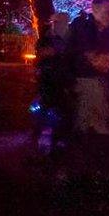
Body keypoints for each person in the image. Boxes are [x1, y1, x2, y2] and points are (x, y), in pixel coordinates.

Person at [66, 0, 109, 135]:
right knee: (93, 94)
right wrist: (101, 60)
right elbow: (89, 55)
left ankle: (87, 129)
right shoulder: (83, 27)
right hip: (81, 75)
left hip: (98, 76)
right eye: (108, 12)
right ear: (95, 9)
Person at [35, 12, 75, 153]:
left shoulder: (70, 37)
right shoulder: (47, 37)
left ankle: (61, 136)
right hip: (49, 77)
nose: (56, 24)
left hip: (64, 77)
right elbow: (41, 53)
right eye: (55, 22)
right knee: (46, 105)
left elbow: (72, 55)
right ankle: (45, 133)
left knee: (64, 107)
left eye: (60, 22)